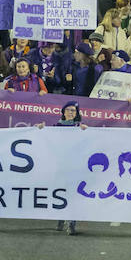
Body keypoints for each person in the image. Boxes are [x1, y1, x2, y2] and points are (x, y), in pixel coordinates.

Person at [44, 101, 88, 235]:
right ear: (63, 112)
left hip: (75, 165)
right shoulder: (56, 126)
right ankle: (61, 218)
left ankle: (72, 222)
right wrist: (39, 129)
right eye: (68, 110)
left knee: (73, 193)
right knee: (60, 192)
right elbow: (45, 139)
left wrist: (86, 132)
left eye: (73, 111)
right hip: (60, 165)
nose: (70, 112)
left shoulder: (80, 127)